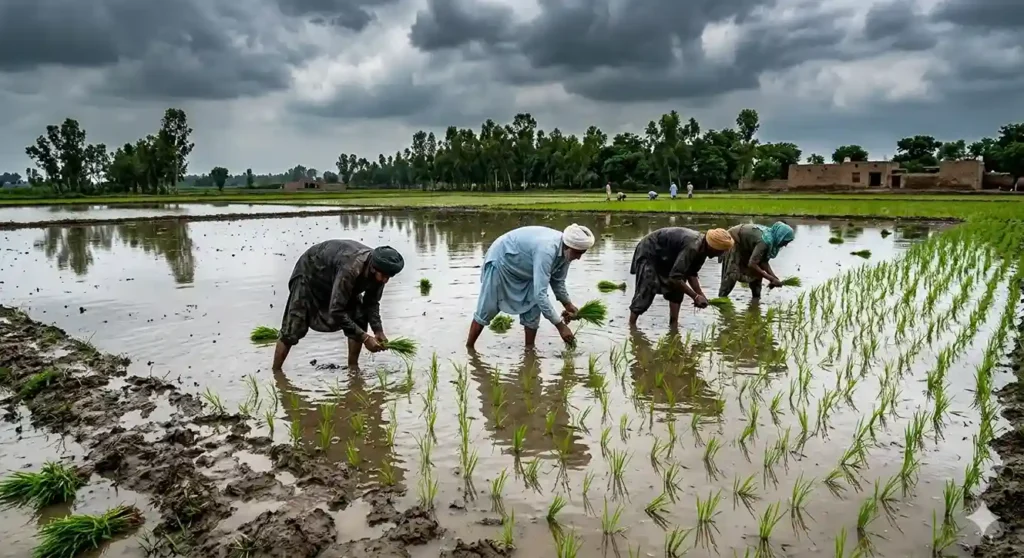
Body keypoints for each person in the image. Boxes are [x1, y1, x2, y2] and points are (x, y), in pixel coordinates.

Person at [272, 240, 404, 371]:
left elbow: (372, 303)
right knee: (294, 325)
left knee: (359, 315)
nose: (385, 280)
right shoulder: (351, 268)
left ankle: (353, 368)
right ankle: (276, 372)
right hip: (310, 274)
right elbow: (336, 311)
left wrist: (378, 330)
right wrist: (365, 338)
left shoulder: (380, 272)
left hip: (336, 277)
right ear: (373, 268)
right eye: (383, 276)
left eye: (389, 277)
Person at [467, 224, 595, 349]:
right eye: (578, 253)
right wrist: (561, 327)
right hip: (503, 262)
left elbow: (558, 281)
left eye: (582, 253)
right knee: (487, 308)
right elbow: (541, 295)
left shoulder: (566, 255)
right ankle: (469, 348)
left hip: (528, 271)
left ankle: (529, 351)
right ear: (569, 246)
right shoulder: (547, 250)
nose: (578, 258)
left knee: (533, 311)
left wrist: (568, 305)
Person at [628, 227, 735, 327]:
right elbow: (674, 278)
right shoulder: (693, 247)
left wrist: (700, 294)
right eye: (720, 252)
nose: (720, 255)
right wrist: (695, 297)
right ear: (713, 247)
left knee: (677, 289)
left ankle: (673, 325)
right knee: (647, 287)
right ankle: (631, 326)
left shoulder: (702, 250)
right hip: (650, 251)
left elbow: (691, 273)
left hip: (668, 256)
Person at [718, 221, 795, 301]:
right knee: (732, 273)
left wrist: (774, 277)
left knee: (757, 275)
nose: (785, 245)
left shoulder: (771, 241)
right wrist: (770, 278)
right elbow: (752, 263)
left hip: (747, 246)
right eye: (785, 242)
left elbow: (763, 262)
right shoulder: (764, 241)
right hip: (734, 240)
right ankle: (722, 299)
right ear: (780, 236)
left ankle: (755, 301)